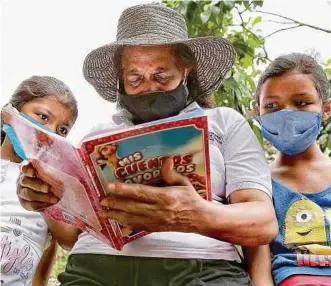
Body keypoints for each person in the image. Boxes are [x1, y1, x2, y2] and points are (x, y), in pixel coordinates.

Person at [17, 4, 278, 285]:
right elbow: (70, 239)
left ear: (185, 69)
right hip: (96, 269)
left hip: (201, 269)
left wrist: (195, 216)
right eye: (135, 79)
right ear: (120, 79)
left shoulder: (224, 123)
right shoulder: (96, 136)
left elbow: (262, 222)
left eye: (162, 76)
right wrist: (48, 200)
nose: (149, 87)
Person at [255, 53, 331, 286]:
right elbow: (258, 264)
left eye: (301, 103)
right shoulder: (257, 183)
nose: (286, 115)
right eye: (272, 106)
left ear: (326, 109)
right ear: (257, 113)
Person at [0, 76, 80, 286]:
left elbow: (67, 242)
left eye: (62, 130)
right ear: (9, 113)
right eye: (43, 117)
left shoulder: (49, 188)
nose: (50, 133)